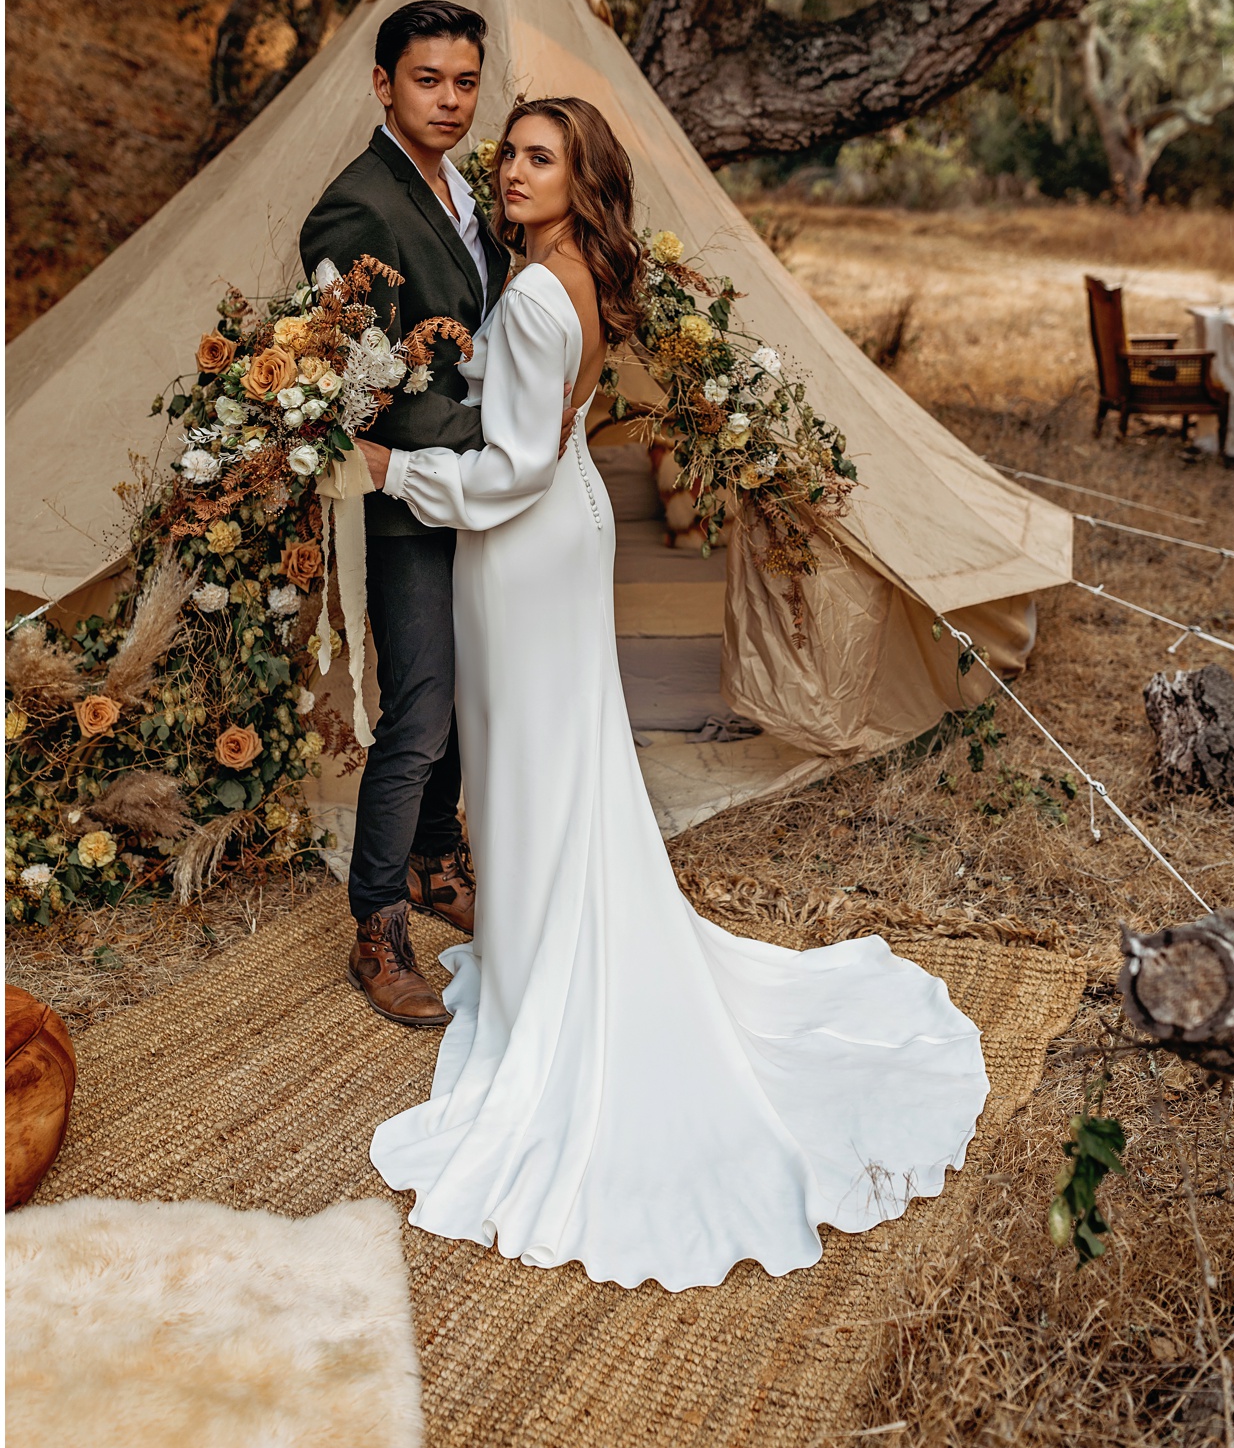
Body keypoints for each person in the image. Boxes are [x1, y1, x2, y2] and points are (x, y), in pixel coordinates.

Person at [354, 96, 990, 1293]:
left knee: (532, 755)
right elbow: (536, 401)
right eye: (512, 156)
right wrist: (463, 349)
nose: (512, 170)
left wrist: (397, 468)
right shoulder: (564, 273)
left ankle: (555, 980)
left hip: (525, 538)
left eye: (539, 158)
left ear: (582, 176)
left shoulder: (545, 286)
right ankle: (550, 946)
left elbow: (516, 464)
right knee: (547, 753)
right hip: (555, 535)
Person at [299, 2, 574, 1029]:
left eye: (465, 82)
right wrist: (494, 431)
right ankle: (376, 927)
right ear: (382, 84)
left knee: (460, 692)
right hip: (414, 494)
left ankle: (433, 859)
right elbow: (358, 385)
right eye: (427, 80)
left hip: (479, 498)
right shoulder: (351, 211)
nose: (450, 101)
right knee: (417, 710)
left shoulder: (468, 186)